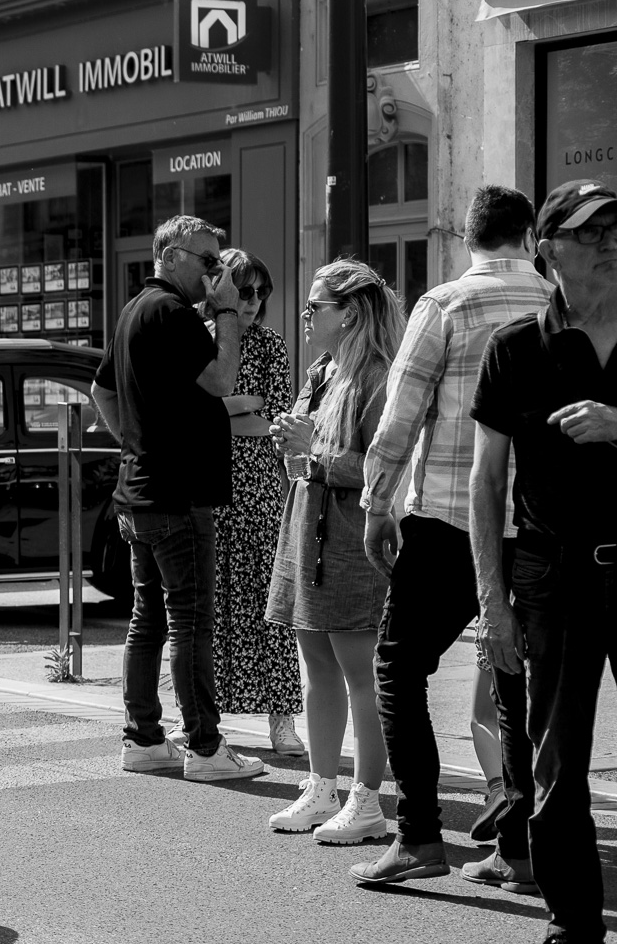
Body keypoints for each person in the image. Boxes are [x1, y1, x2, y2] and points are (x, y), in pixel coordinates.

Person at [348, 187, 550, 887]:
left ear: (468, 234)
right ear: (528, 234)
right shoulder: (557, 304)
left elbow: (402, 414)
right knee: (516, 678)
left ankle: (420, 835)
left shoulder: (445, 304)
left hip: (451, 519)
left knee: (399, 667)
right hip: (538, 524)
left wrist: (377, 503)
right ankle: (520, 850)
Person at [469, 178, 617, 944]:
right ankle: (574, 936)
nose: (610, 241)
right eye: (592, 231)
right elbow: (487, 486)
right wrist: (492, 604)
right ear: (547, 248)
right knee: (556, 769)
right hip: (551, 576)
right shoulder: (515, 348)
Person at [90, 215, 265, 782]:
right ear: (170, 256)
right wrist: (229, 313)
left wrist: (136, 444)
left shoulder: (134, 310)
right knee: (191, 622)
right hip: (177, 494)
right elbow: (221, 380)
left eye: (219, 263)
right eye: (208, 260)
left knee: (149, 619)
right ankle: (207, 749)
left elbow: (102, 389)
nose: (216, 272)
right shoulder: (171, 311)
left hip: (140, 491)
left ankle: (142, 738)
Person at [262, 260, 401, 841]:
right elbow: (306, 459)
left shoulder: (375, 375)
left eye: (316, 305)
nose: (305, 313)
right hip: (307, 525)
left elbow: (378, 466)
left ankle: (367, 799)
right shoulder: (324, 370)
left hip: (350, 537)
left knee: (359, 671)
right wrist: (291, 445)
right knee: (314, 663)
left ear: (350, 313)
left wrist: (310, 450)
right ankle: (323, 787)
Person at [210, 250, 305, 756]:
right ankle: (205, 721)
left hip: (260, 490)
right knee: (211, 606)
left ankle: (281, 719)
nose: (253, 301)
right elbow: (195, 412)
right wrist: (241, 408)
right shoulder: (201, 339)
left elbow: (275, 421)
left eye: (260, 292)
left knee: (272, 606)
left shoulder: (270, 344)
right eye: (243, 290)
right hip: (210, 486)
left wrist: (228, 411)